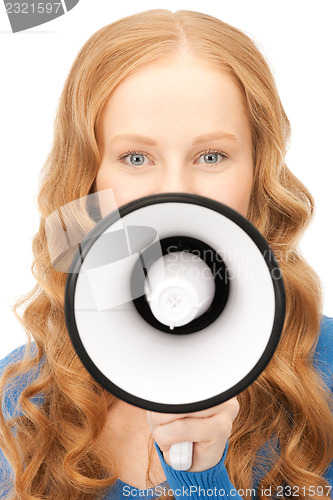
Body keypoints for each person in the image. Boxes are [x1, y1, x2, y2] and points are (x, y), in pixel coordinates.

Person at [0, 9, 332, 500]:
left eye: (211, 156)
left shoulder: (326, 371)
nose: (176, 192)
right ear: (88, 178)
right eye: (136, 158)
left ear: (258, 172)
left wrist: (203, 484)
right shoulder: (21, 401)